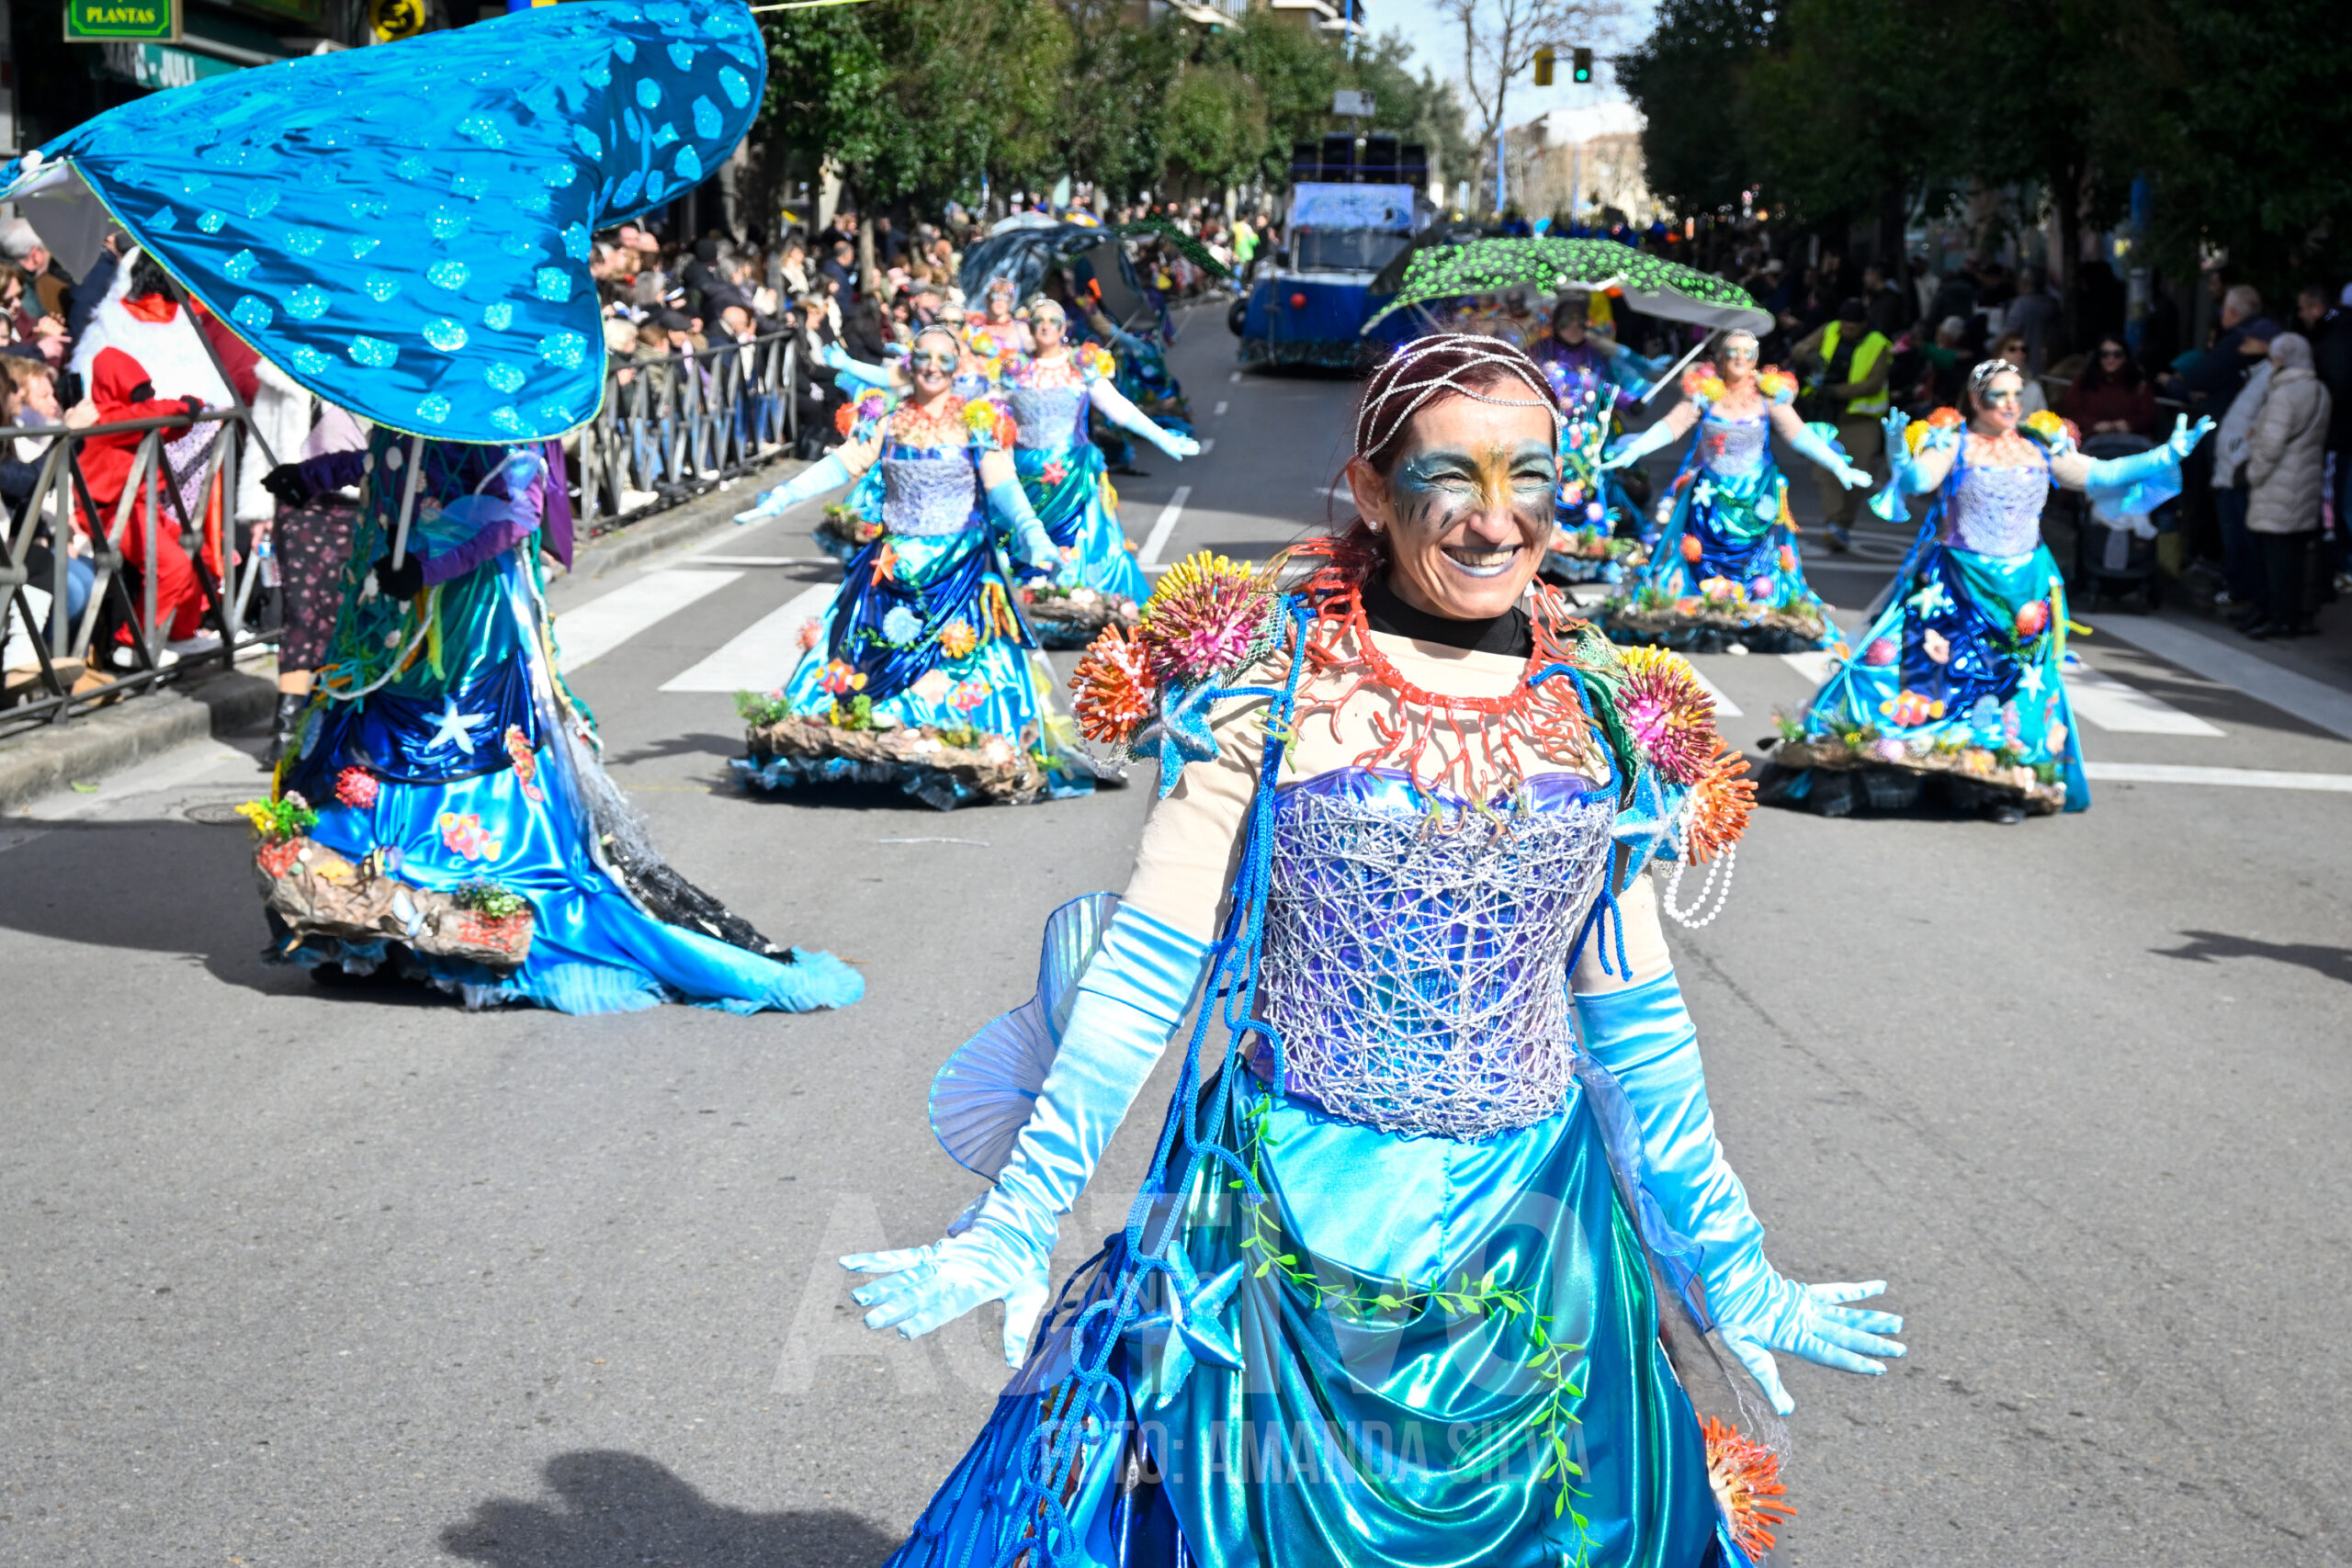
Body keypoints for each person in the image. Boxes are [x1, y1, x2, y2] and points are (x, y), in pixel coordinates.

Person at [840, 335, 1901, 1568]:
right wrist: (1019, 1214)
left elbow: (1639, 1025)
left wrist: (1732, 1264)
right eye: (1455, 475)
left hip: (1545, 1250)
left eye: (1536, 478)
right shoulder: (1268, 684)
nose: (1499, 520)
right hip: (1290, 1234)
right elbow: (1147, 968)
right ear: (1370, 487)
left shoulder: (1598, 711)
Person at [1775, 361, 2212, 822]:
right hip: (1958, 585)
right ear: (1976, 398)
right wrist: (1900, 459)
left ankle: (2000, 778)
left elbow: (2099, 474)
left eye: (2016, 394)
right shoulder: (1953, 443)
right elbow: (1921, 482)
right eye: (1999, 395)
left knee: (2014, 686)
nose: (2010, 404)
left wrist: (2166, 455)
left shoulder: (2040, 446)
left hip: (2023, 591)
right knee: (1927, 674)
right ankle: (1912, 757)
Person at [729, 324, 1100, 809]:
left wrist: (1033, 533)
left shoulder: (977, 419)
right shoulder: (886, 418)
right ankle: (860, 741)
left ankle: (966, 745)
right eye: (923, 356)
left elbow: (1002, 482)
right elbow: (843, 463)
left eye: (945, 359)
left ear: (957, 364)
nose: (932, 367)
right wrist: (781, 497)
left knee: (967, 663)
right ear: (910, 362)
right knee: (848, 653)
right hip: (892, 565)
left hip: (959, 569)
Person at [1599, 329, 1871, 649]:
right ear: (1720, 357)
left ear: (1756, 359)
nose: (1740, 358)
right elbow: (1672, 424)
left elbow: (1798, 434)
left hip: (1757, 497)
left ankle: (1750, 615)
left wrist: (1839, 465)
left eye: (1748, 352)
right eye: (1733, 352)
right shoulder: (1706, 392)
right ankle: (1708, 615)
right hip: (1710, 496)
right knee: (1702, 556)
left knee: (1758, 561)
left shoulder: (1768, 394)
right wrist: (1636, 449)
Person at [994, 297, 1196, 645]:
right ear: (1029, 326)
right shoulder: (1014, 371)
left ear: (1063, 328)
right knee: (1026, 539)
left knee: (1083, 541)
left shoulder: (1081, 367)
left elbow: (1118, 408)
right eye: (1038, 320)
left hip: (1073, 472)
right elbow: (986, 411)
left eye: (1053, 320)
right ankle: (1038, 608)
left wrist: (1163, 437)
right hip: (1025, 474)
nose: (1045, 326)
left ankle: (1088, 608)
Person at [2240, 332, 2332, 639]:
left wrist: (2253, 474)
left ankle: (2277, 618)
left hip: (2277, 487)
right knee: (2294, 558)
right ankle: (2293, 617)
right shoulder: (2319, 390)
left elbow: (2271, 445)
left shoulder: (2284, 394)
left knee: (2275, 561)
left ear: (2280, 359)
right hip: (2305, 483)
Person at [1792, 298, 1894, 548]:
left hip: (1860, 419)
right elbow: (1799, 348)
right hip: (1826, 416)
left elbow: (1873, 383)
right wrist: (1811, 355)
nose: (1846, 331)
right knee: (1825, 471)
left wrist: (1837, 392)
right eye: (1844, 326)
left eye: (1852, 327)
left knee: (1859, 473)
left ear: (1863, 325)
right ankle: (1834, 523)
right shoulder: (1829, 329)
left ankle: (1844, 522)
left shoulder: (1878, 344)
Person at [2061, 336, 2159, 436]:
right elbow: (2071, 413)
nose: (2111, 359)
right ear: (2098, 357)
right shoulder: (2084, 381)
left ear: (2126, 357)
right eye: (2104, 354)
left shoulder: (2138, 383)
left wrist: (2130, 424)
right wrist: (2094, 425)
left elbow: (2149, 415)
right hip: (2092, 441)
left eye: (2117, 355)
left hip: (2132, 442)